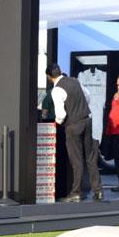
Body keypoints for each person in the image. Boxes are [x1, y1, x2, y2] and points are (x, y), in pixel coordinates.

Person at [46, 64, 102, 202]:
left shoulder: (56, 89)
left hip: (73, 125)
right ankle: (98, 191)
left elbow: (61, 114)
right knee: (90, 158)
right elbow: (87, 96)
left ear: (49, 77)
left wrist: (57, 123)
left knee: (77, 160)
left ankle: (76, 192)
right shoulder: (75, 81)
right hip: (87, 120)